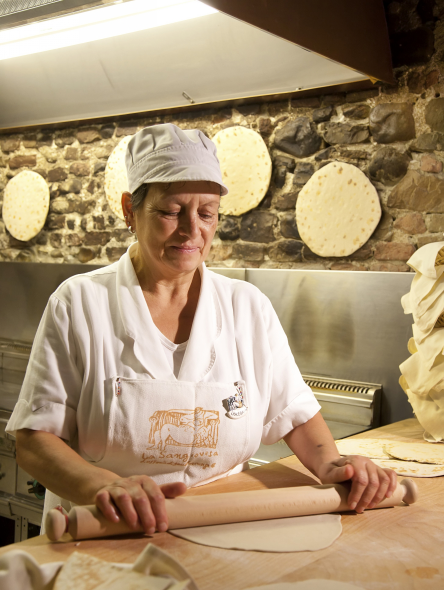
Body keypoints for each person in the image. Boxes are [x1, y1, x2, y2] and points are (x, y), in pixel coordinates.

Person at [8, 124, 397, 535]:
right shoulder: (80, 304)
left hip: (220, 526)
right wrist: (104, 486)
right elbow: (34, 439)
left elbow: (294, 413)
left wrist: (332, 463)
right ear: (129, 209)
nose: (192, 230)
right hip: (105, 527)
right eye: (171, 211)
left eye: (207, 213)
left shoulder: (246, 307)